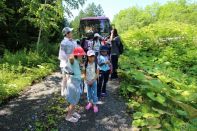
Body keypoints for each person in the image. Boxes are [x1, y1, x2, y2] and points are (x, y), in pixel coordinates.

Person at [64, 47, 86, 123]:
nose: (83, 56)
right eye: (82, 55)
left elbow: (67, 69)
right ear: (78, 55)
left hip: (74, 83)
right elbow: (81, 76)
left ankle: (72, 113)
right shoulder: (73, 61)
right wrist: (82, 72)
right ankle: (68, 116)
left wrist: (81, 68)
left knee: (75, 101)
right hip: (74, 84)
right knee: (73, 102)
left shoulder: (75, 61)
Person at [58, 27, 78, 97]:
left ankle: (70, 91)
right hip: (65, 63)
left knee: (71, 78)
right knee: (65, 78)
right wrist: (69, 59)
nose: (72, 33)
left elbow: (76, 50)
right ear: (67, 34)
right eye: (70, 32)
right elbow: (62, 53)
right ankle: (63, 91)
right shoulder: (63, 42)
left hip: (72, 62)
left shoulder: (73, 41)